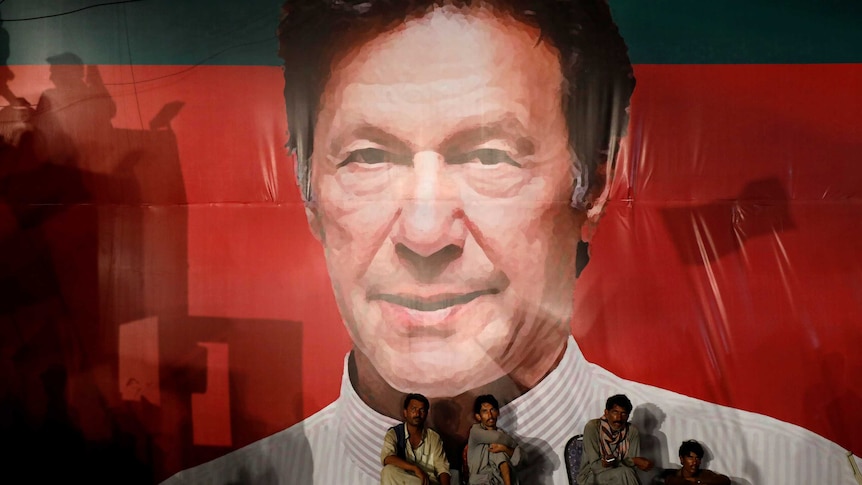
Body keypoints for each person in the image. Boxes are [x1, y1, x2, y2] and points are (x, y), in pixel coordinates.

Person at [162, 1, 859, 484]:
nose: (425, 233)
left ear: (596, 180)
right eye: (369, 156)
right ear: (307, 185)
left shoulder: (801, 474)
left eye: (489, 156)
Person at [577, 395, 652, 485]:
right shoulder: (593, 427)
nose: (619, 418)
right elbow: (595, 466)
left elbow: (632, 467)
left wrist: (616, 462)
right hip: (591, 476)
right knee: (624, 473)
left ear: (628, 416)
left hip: (622, 475)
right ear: (606, 413)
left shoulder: (631, 431)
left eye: (623, 414)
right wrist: (632, 461)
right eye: (615, 412)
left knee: (625, 472)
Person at [381, 394, 451, 485]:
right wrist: (414, 468)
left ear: (426, 414)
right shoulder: (394, 433)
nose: (417, 414)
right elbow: (387, 458)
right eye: (414, 409)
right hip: (404, 479)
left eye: (421, 410)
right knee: (388, 471)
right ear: (405, 413)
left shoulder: (433, 438)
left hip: (427, 482)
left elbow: (443, 469)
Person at [467, 395, 523, 485]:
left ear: (498, 412)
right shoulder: (475, 432)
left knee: (499, 450)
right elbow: (497, 437)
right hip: (481, 482)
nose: (490, 415)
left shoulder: (502, 435)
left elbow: (524, 459)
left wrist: (505, 449)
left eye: (492, 410)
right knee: (497, 450)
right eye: (485, 411)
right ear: (478, 416)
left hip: (500, 481)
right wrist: (514, 446)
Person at [662, 440, 729, 485]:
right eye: (690, 457)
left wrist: (697, 480)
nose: (694, 462)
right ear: (682, 459)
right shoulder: (672, 478)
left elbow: (725, 480)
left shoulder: (705, 474)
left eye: (698, 458)